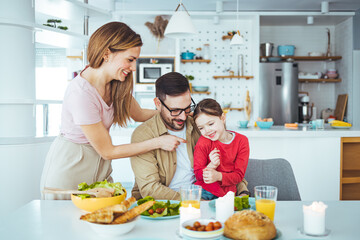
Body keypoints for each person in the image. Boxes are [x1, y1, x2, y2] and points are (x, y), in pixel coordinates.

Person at [40, 22, 184, 200]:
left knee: (107, 218)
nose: (133, 67)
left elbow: (138, 114)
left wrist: (173, 112)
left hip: (100, 166)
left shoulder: (116, 84)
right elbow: (107, 151)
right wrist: (158, 142)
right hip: (71, 165)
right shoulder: (81, 93)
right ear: (107, 54)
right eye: (130, 60)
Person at [130, 72, 248, 200]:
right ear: (158, 104)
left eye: (187, 108)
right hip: (166, 204)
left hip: (205, 195)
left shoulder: (200, 127)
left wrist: (242, 192)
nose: (183, 117)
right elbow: (150, 189)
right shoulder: (143, 135)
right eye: (175, 110)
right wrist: (194, 200)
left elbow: (228, 164)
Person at [193, 98, 250, 200]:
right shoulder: (203, 141)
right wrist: (211, 166)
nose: (207, 131)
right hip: (205, 192)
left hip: (228, 194)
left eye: (211, 124)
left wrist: (218, 176)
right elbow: (198, 174)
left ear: (223, 118)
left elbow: (239, 176)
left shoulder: (242, 141)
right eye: (201, 128)